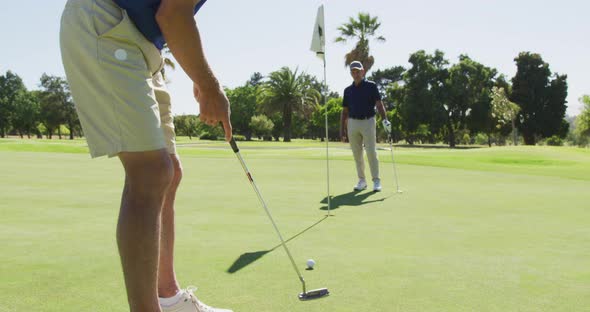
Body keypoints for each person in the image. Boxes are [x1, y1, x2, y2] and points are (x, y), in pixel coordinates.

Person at [60, 0, 233, 311]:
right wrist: (208, 85)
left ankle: (167, 297)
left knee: (170, 172)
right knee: (151, 172)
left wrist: (200, 77)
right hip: (106, 22)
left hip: (144, 45)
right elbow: (173, 14)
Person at [340, 61, 392, 192]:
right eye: (353, 71)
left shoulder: (371, 86)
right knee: (357, 154)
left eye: (358, 71)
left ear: (363, 71)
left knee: (371, 152)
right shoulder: (348, 90)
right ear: (351, 73)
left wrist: (385, 120)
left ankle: (376, 181)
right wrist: (342, 130)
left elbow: (379, 104)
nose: (355, 74)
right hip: (352, 123)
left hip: (368, 121)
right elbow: (345, 111)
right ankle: (362, 181)